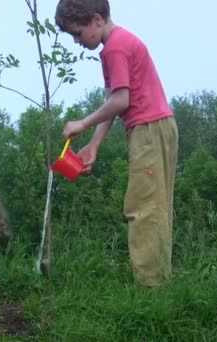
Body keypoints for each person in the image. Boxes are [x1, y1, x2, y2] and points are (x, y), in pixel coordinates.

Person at [55, 0, 178, 287]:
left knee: (144, 207)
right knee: (156, 205)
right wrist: (94, 145)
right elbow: (114, 102)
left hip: (148, 130)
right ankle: (159, 280)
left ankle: (152, 287)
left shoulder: (115, 49)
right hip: (156, 127)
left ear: (96, 20)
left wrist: (82, 123)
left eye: (77, 32)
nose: (76, 41)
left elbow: (121, 101)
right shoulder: (116, 45)